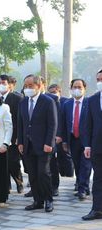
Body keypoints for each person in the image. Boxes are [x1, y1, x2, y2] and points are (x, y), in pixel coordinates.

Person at [17, 74, 57, 213]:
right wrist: (20, 142)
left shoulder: (47, 101)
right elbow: (20, 123)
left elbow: (52, 124)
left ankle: (48, 199)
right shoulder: (22, 102)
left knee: (43, 173)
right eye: (25, 86)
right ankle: (37, 200)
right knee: (32, 174)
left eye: (30, 86)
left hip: (44, 145)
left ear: (39, 86)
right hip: (27, 145)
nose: (27, 88)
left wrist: (49, 142)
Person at [61, 79, 91, 201]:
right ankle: (81, 185)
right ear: (71, 88)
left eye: (79, 87)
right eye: (74, 87)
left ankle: (82, 189)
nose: (77, 89)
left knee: (86, 165)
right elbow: (63, 123)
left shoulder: (89, 103)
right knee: (77, 164)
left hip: (87, 140)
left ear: (84, 88)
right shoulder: (66, 104)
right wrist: (64, 141)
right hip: (73, 138)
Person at [0, 75, 24, 194]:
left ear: (9, 84)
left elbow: (20, 119)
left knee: (13, 162)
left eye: (3, 82)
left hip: (13, 136)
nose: (1, 85)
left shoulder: (17, 98)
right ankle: (6, 185)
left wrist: (19, 136)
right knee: (1, 162)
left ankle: (19, 182)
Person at [82, 70, 102, 221]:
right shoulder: (92, 100)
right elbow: (87, 125)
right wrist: (87, 145)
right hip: (97, 147)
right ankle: (97, 209)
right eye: (98, 79)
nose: (100, 81)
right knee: (98, 179)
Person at [48, 84, 74, 178]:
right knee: (56, 157)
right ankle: (61, 173)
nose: (53, 94)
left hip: (64, 133)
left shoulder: (65, 102)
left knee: (66, 156)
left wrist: (61, 135)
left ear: (60, 92)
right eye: (50, 93)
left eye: (54, 92)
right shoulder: (48, 102)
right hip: (53, 135)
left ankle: (69, 175)